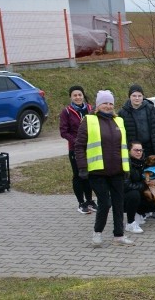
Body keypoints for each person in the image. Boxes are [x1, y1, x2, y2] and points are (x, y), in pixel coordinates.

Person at [75, 90, 134, 247]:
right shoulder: (89, 120)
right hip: (97, 172)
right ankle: (97, 233)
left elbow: (124, 146)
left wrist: (126, 167)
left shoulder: (118, 121)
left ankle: (119, 236)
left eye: (110, 103)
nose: (108, 106)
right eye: (104, 103)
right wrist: (82, 167)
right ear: (98, 105)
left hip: (117, 171)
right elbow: (79, 146)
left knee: (118, 203)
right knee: (105, 202)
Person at [59, 85, 95, 214]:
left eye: (80, 95)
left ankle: (90, 200)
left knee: (89, 175)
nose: (78, 97)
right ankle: (81, 203)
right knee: (79, 175)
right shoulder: (66, 112)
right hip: (75, 149)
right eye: (75, 95)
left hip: (90, 149)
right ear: (71, 97)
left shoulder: (91, 109)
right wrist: (77, 141)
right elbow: (64, 132)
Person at [118, 84, 155, 159]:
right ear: (129, 97)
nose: (137, 98)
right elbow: (120, 133)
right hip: (134, 151)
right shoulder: (123, 113)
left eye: (139, 96)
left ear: (143, 96)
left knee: (152, 170)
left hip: (151, 149)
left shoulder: (151, 109)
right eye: (134, 96)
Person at [123, 141, 148, 234]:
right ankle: (130, 223)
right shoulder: (125, 164)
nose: (139, 152)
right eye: (136, 150)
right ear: (129, 151)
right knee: (134, 194)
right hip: (123, 196)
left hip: (139, 189)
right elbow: (126, 185)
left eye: (141, 150)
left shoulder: (145, 162)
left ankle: (140, 213)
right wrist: (145, 185)